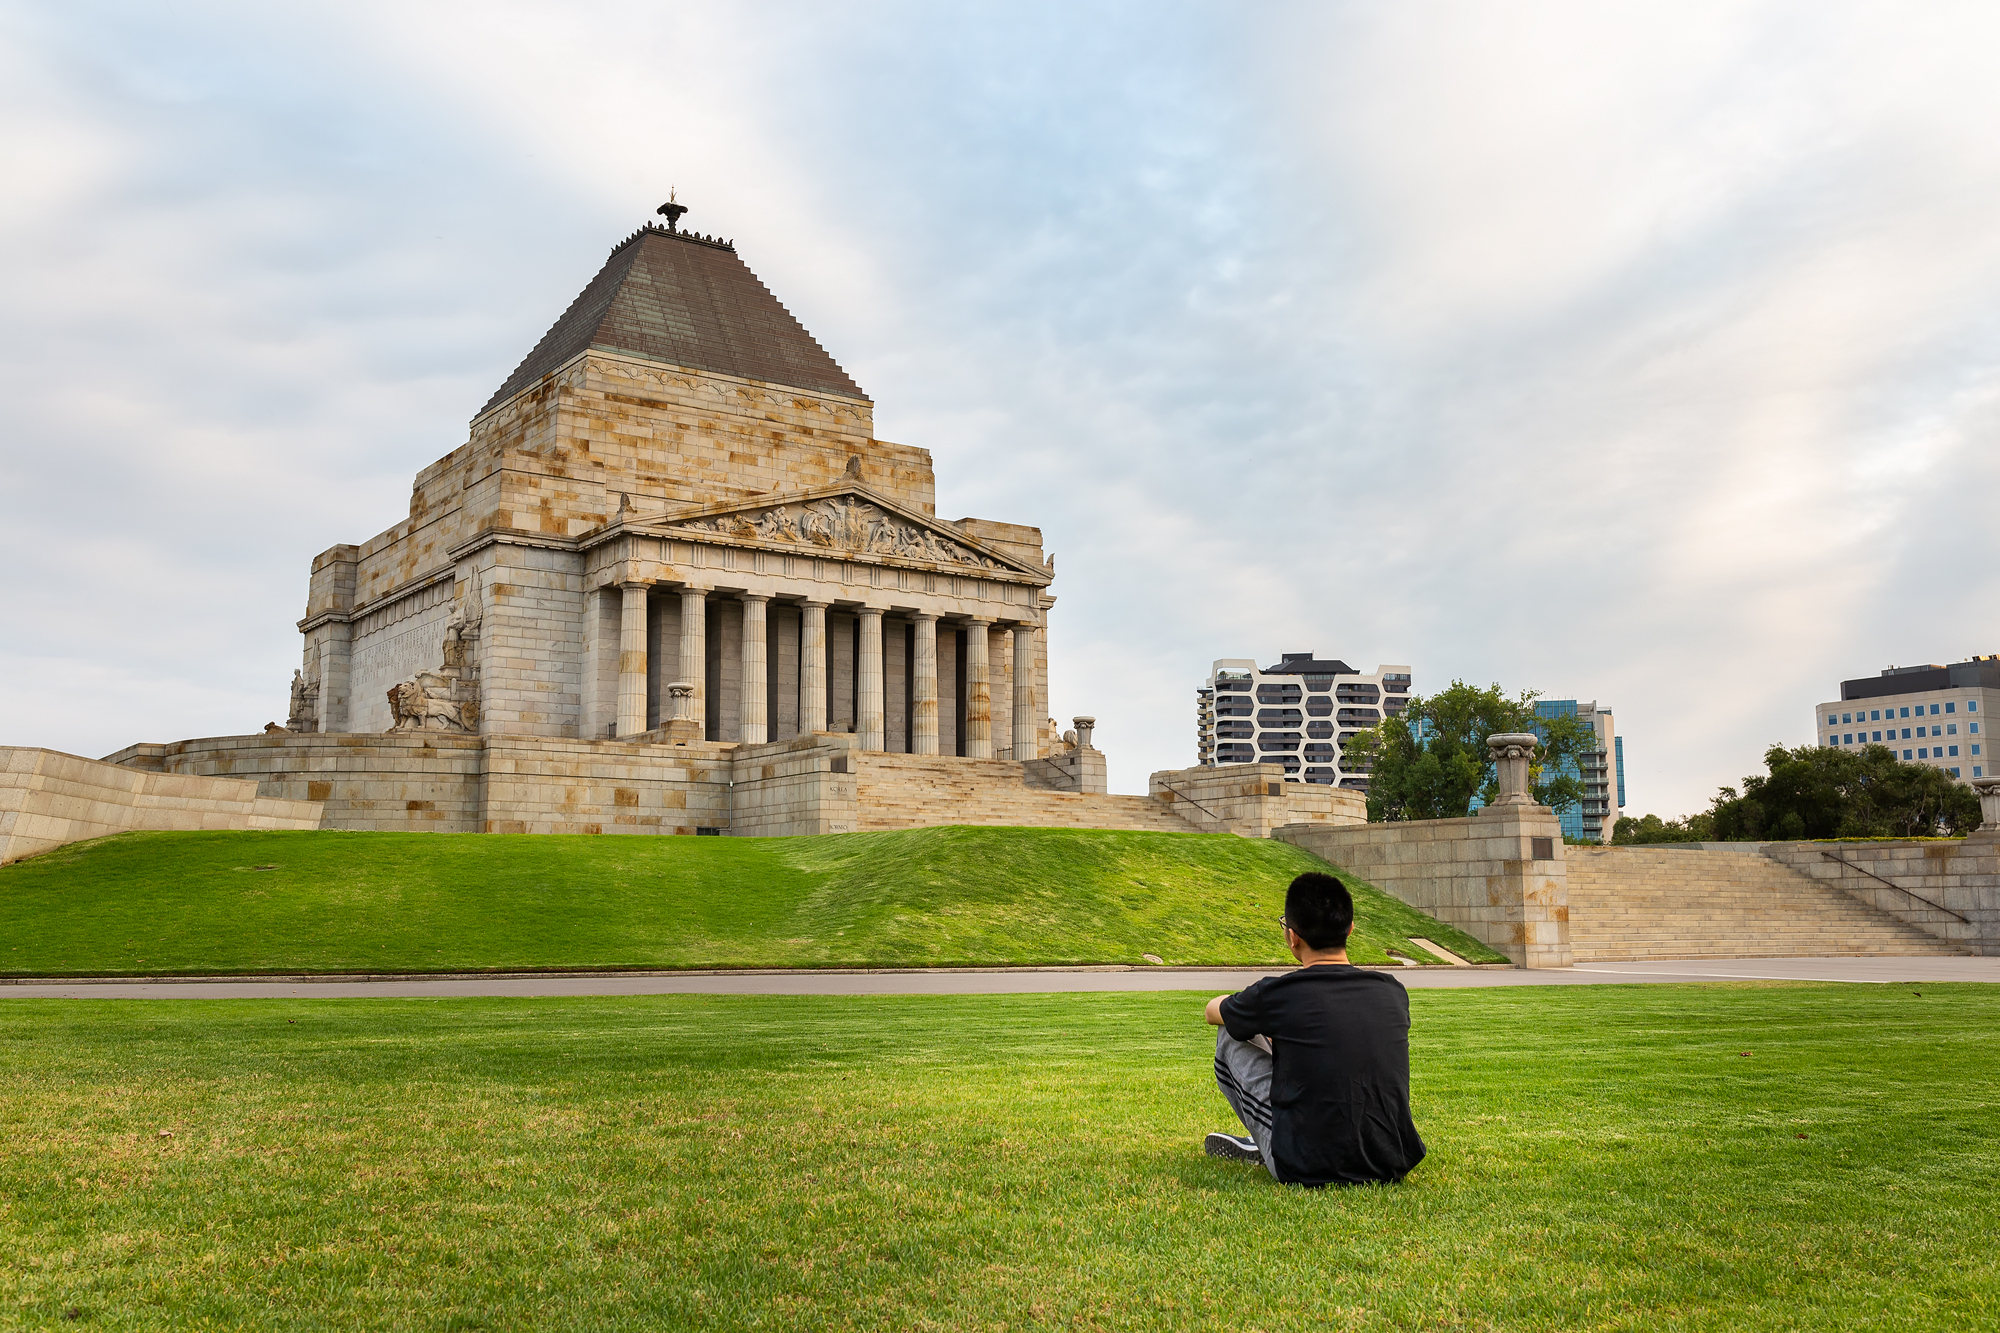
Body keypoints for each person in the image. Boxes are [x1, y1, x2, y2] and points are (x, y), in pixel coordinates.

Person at [1204, 870, 1427, 1186]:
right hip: (1390, 1159)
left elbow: (1212, 1011)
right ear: (1350, 928)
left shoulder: (1279, 994)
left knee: (1229, 1031)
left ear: (1292, 936)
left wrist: (1256, 1016)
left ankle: (1268, 1142)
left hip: (1304, 1163)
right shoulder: (1392, 991)